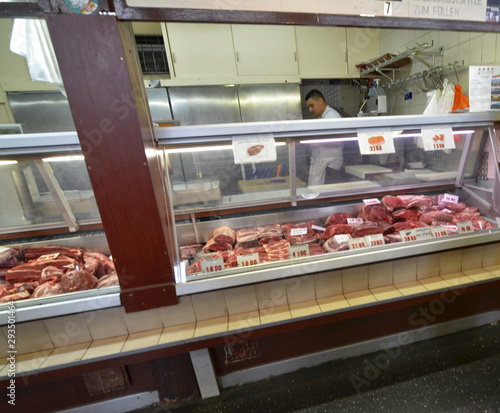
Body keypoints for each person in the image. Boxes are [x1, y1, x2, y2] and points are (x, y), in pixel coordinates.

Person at [304, 89, 344, 186]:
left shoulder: (332, 116)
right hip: (324, 166)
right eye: (309, 107)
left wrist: (316, 142)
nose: (310, 110)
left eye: (311, 106)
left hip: (330, 168)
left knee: (326, 198)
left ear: (320, 101)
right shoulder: (322, 117)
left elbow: (338, 141)